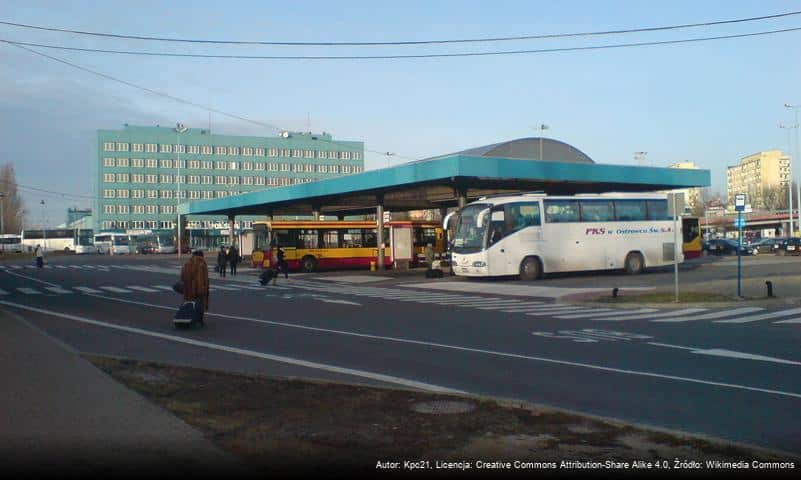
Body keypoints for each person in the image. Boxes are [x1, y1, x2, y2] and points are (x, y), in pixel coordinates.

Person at [180, 250, 209, 326]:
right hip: (198, 289)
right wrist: (201, 289)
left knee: (189, 304)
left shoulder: (187, 263)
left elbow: (182, 276)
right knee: (200, 305)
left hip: (188, 288)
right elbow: (201, 278)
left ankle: (189, 318)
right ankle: (199, 320)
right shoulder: (201, 264)